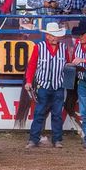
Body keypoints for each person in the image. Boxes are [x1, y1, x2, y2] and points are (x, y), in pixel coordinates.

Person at [25, 21, 69, 149]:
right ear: (47, 36)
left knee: (57, 114)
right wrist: (28, 81)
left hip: (58, 86)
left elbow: (67, 64)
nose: (55, 37)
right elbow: (32, 65)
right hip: (43, 85)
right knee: (39, 113)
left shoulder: (63, 48)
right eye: (52, 35)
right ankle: (34, 139)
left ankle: (57, 140)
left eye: (56, 35)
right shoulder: (39, 47)